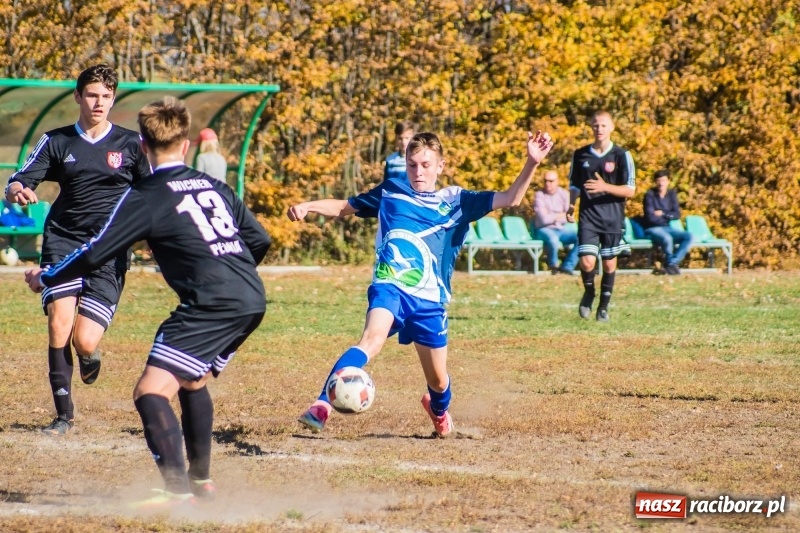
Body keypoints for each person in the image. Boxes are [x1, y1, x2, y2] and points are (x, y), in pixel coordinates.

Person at [24, 96, 271, 509]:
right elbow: (260, 240)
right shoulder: (214, 185)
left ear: (141, 146)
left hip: (212, 304)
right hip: (251, 297)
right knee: (191, 378)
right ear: (187, 144)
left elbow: (94, 254)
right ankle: (202, 483)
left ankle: (176, 494)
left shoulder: (148, 195)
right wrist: (232, 272)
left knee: (150, 392)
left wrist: (46, 275)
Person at [289, 130, 554, 436]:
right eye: (413, 165)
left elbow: (511, 198)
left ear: (441, 166)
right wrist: (308, 205)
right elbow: (344, 206)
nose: (419, 172)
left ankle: (438, 410)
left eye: (426, 165)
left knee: (439, 381)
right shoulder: (391, 192)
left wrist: (532, 163)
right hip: (390, 287)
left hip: (430, 301)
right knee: (371, 340)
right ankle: (321, 405)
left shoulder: (457, 200)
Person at [4, 64, 151, 435]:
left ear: (113, 98)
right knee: (59, 324)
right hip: (63, 241)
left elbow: (154, 193)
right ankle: (63, 416)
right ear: (78, 97)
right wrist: (17, 190)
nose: (98, 102)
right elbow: (20, 178)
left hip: (109, 248)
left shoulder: (131, 144)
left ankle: (88, 354)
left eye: (105, 96)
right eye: (91, 95)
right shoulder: (57, 141)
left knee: (84, 340)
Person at [567, 111, 636, 322]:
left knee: (608, 264)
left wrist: (604, 187)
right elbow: (574, 185)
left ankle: (603, 308)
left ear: (612, 127)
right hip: (588, 217)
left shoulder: (621, 155)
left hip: (613, 218)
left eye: (604, 125)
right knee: (587, 262)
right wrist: (571, 205)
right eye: (596, 125)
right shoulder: (580, 155)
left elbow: (630, 190)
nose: (599, 128)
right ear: (591, 127)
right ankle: (589, 292)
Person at [642, 169, 693, 275]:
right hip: (652, 228)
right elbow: (650, 217)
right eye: (659, 180)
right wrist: (668, 215)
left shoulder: (671, 194)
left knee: (688, 236)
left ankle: (671, 263)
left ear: (668, 181)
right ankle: (671, 265)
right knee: (667, 238)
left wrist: (663, 213)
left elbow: (677, 214)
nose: (661, 183)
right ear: (655, 182)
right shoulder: (649, 195)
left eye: (664, 180)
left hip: (667, 227)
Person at [533, 170, 578, 275]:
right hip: (543, 229)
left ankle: (567, 266)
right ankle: (553, 267)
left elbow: (569, 216)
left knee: (584, 236)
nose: (547, 183)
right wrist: (560, 215)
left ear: (557, 181)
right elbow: (544, 220)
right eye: (545, 181)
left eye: (551, 181)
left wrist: (552, 216)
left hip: (561, 229)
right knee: (553, 239)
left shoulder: (564, 194)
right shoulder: (539, 195)